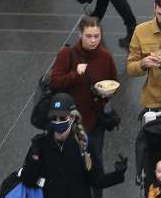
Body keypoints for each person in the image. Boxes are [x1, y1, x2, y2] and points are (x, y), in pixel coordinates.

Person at [49, 17, 120, 181]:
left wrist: (107, 94)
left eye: (97, 36)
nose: (93, 40)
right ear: (80, 34)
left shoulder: (105, 57)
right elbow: (55, 82)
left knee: (95, 164)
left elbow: (114, 82)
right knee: (69, 165)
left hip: (95, 121)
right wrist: (75, 74)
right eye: (89, 36)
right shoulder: (67, 54)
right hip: (70, 123)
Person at [20, 93, 128, 197]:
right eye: (54, 118)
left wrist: (117, 175)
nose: (57, 122)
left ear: (72, 118)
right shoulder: (40, 145)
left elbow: (95, 180)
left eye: (62, 118)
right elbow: (28, 181)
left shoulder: (84, 144)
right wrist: (34, 159)